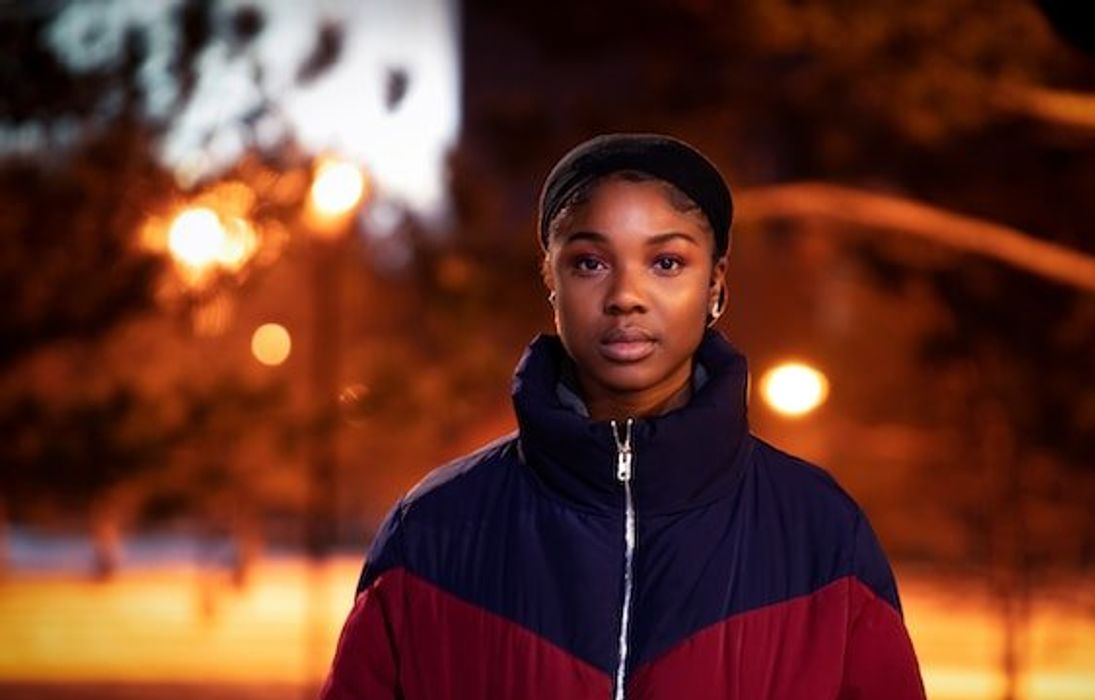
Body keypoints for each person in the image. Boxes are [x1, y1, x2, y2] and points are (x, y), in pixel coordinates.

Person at [319, 133, 926, 699]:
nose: (625, 297)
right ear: (551, 278)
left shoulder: (821, 533)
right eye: (590, 262)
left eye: (667, 263)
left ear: (715, 283)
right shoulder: (434, 530)